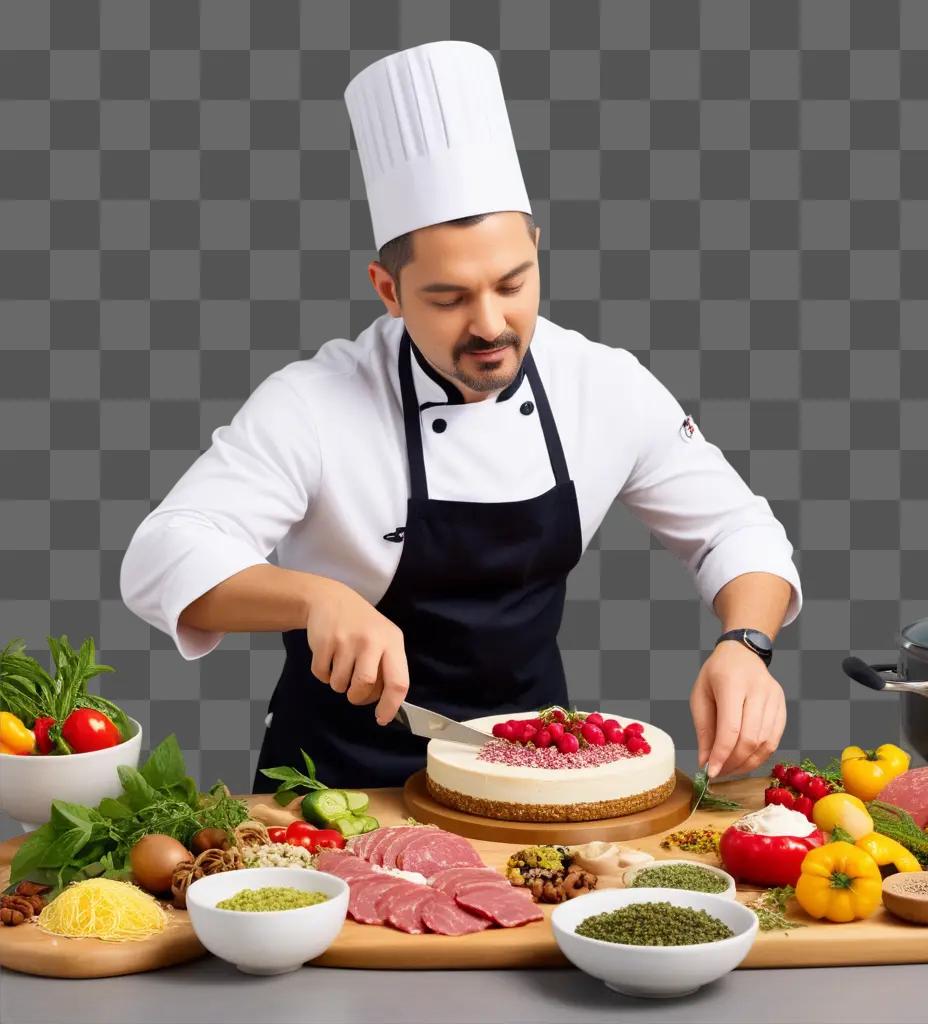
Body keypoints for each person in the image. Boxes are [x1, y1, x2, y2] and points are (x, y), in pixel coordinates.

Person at [120, 41, 802, 791]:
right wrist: (317, 597)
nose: (490, 324)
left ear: (537, 250)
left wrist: (745, 643)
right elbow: (161, 554)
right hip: (340, 788)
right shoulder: (312, 403)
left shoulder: (603, 385)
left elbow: (736, 529)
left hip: (534, 782)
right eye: (448, 298)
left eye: (514, 283)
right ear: (388, 288)